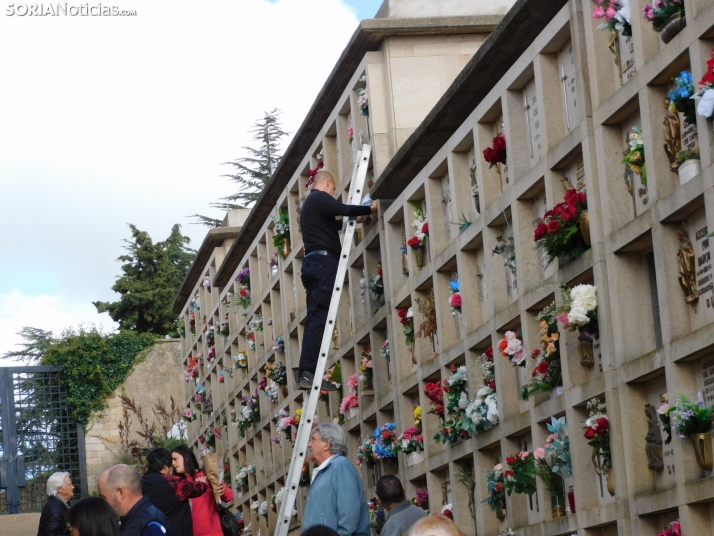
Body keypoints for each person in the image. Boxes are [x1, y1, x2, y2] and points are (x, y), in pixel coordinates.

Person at [297, 170, 377, 390]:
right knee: (320, 320)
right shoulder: (319, 197)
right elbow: (342, 209)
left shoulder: (309, 208)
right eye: (333, 189)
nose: (332, 193)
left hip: (313, 265)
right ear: (329, 183)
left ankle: (308, 373)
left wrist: (355, 219)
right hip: (323, 265)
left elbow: (332, 225)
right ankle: (307, 373)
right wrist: (368, 208)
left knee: (316, 319)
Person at [302, 423, 370, 536]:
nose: (309, 444)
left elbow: (349, 511)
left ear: (327, 444)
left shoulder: (340, 466)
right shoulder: (328, 469)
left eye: (313, 440)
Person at [142, 448, 210, 536]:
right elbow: (197, 489)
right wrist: (202, 483)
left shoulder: (140, 484)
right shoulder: (174, 483)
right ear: (165, 466)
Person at [171, 445, 234, 536]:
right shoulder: (176, 484)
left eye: (175, 459)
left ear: (187, 457)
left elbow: (230, 496)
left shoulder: (206, 474)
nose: (173, 463)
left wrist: (222, 491)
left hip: (214, 533)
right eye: (171, 460)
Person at [97, 464, 169, 536]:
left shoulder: (151, 525)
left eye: (103, 498)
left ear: (121, 492)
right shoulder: (129, 520)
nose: (102, 504)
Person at [38, 471, 75, 536]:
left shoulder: (59, 504)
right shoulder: (55, 509)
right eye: (70, 484)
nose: (73, 487)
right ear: (60, 489)